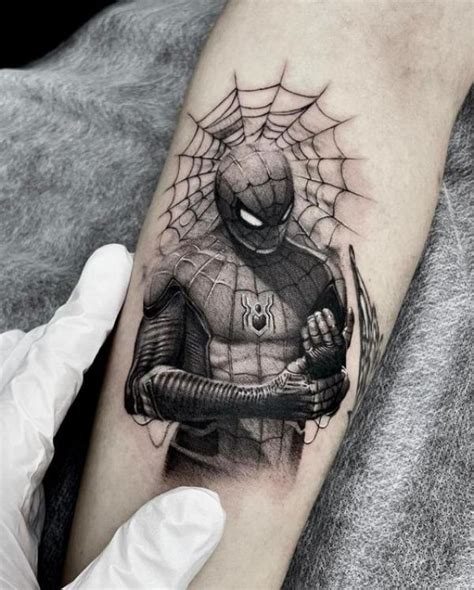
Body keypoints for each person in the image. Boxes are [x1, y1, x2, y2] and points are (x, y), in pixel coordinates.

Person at [55, 1, 471, 587]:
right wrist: (267, 399)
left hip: (279, 467)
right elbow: (145, 388)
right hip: (190, 491)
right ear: (229, 208)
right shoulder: (188, 269)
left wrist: (324, 365)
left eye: (281, 220)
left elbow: (326, 394)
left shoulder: (315, 271)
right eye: (257, 222)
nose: (273, 237)